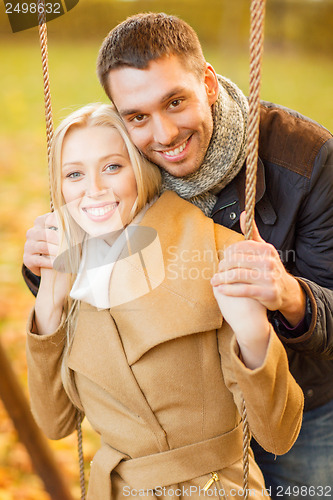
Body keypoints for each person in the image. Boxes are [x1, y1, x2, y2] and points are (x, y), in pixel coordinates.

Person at [23, 13, 333, 499]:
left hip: (305, 390)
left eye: (175, 101)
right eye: (139, 116)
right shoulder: (127, 163)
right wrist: (43, 279)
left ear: (208, 83)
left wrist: (285, 297)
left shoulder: (304, 161)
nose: (163, 135)